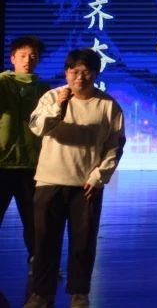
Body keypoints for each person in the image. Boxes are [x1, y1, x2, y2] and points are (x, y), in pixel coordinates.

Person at [26, 49, 126, 308]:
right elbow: (37, 128)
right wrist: (58, 107)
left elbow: (115, 146)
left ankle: (79, 293)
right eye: (74, 71)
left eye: (86, 72)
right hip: (49, 180)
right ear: (66, 73)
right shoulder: (52, 97)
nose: (80, 77)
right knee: (45, 243)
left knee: (83, 243)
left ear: (96, 74)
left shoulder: (108, 105)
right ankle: (41, 294)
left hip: (86, 185)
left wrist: (98, 177)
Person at [1, 36, 49, 270]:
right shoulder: (3, 83)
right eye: (22, 56)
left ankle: (38, 261)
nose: (27, 60)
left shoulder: (43, 90)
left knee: (34, 220)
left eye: (33, 56)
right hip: (2, 164)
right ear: (12, 58)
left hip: (31, 165)